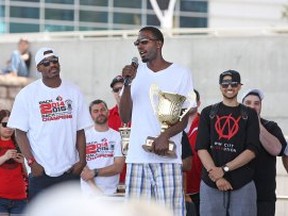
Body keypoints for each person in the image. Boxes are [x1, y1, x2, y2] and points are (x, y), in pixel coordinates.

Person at [119, 26, 194, 216]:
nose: (139, 46)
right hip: (137, 158)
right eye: (137, 43)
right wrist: (127, 84)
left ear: (159, 44)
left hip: (168, 158)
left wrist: (165, 136)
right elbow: (125, 116)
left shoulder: (180, 73)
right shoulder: (135, 74)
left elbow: (184, 118)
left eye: (144, 41)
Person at [7, 47, 92, 200]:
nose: (51, 65)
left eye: (54, 61)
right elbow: (20, 133)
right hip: (41, 172)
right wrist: (32, 163)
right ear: (38, 68)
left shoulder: (74, 91)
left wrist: (82, 161)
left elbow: (80, 130)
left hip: (69, 171)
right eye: (45, 63)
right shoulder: (27, 94)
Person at [195, 70, 260, 216]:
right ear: (219, 86)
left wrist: (223, 170)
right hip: (211, 182)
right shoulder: (207, 112)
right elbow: (201, 148)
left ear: (239, 86)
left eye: (233, 84)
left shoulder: (249, 114)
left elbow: (252, 150)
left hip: (243, 181)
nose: (229, 87)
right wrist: (217, 176)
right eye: (225, 84)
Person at [241, 88, 287, 216]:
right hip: (239, 194)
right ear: (241, 105)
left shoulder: (271, 127)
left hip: (264, 196)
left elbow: (277, 150)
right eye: (248, 103)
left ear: (261, 106)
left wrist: (257, 124)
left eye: (256, 103)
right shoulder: (234, 127)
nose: (252, 106)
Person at [80, 99, 125, 196]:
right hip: (87, 194)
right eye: (96, 111)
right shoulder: (84, 137)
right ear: (91, 115)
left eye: (102, 110)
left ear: (108, 112)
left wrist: (94, 172)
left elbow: (118, 167)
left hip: (111, 194)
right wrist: (95, 189)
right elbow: (81, 165)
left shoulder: (117, 137)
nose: (100, 113)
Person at [0, 109, 28, 215]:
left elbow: (26, 174)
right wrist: (5, 157)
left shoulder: (19, 142)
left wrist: (22, 163)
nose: (9, 128)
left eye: (11, 124)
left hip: (20, 198)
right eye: (5, 124)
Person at [108, 75, 130, 186]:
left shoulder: (140, 114)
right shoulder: (106, 117)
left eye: (122, 88)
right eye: (116, 90)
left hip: (135, 174)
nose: (119, 92)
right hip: (113, 177)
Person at [184, 89, 202, 216]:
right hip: (178, 188)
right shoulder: (172, 126)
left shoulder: (206, 123)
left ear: (198, 103)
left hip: (200, 188)